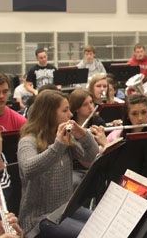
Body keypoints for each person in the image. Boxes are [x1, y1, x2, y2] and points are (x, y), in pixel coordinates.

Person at [18, 90, 99, 237]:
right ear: (49, 114)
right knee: (90, 234)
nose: (70, 115)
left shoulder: (64, 138)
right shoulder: (28, 141)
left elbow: (92, 158)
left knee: (106, 225)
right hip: (39, 219)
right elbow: (29, 169)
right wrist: (58, 146)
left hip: (65, 209)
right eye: (65, 110)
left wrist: (83, 136)